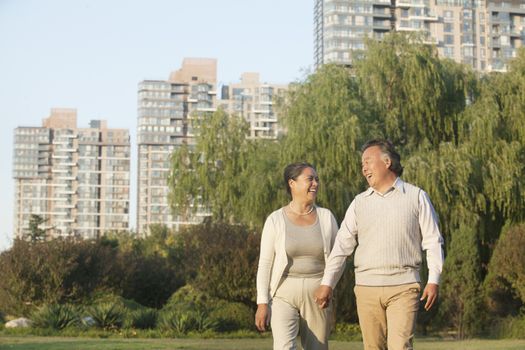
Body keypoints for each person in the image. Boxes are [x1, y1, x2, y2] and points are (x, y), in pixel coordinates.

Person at [314, 139, 444, 350]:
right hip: (366, 288)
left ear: (387, 162)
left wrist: (434, 280)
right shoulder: (359, 202)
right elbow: (341, 248)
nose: (363, 168)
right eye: (362, 164)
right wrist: (328, 283)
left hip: (404, 286)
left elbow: (433, 240)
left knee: (400, 346)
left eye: (368, 161)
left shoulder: (416, 196)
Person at [255, 162, 341, 350]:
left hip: (318, 293)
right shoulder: (275, 220)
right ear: (292, 183)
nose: (315, 184)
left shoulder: (326, 217)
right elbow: (265, 264)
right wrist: (262, 302)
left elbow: (338, 259)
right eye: (310, 179)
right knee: (283, 347)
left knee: (317, 347)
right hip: (283, 293)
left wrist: (329, 286)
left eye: (317, 179)